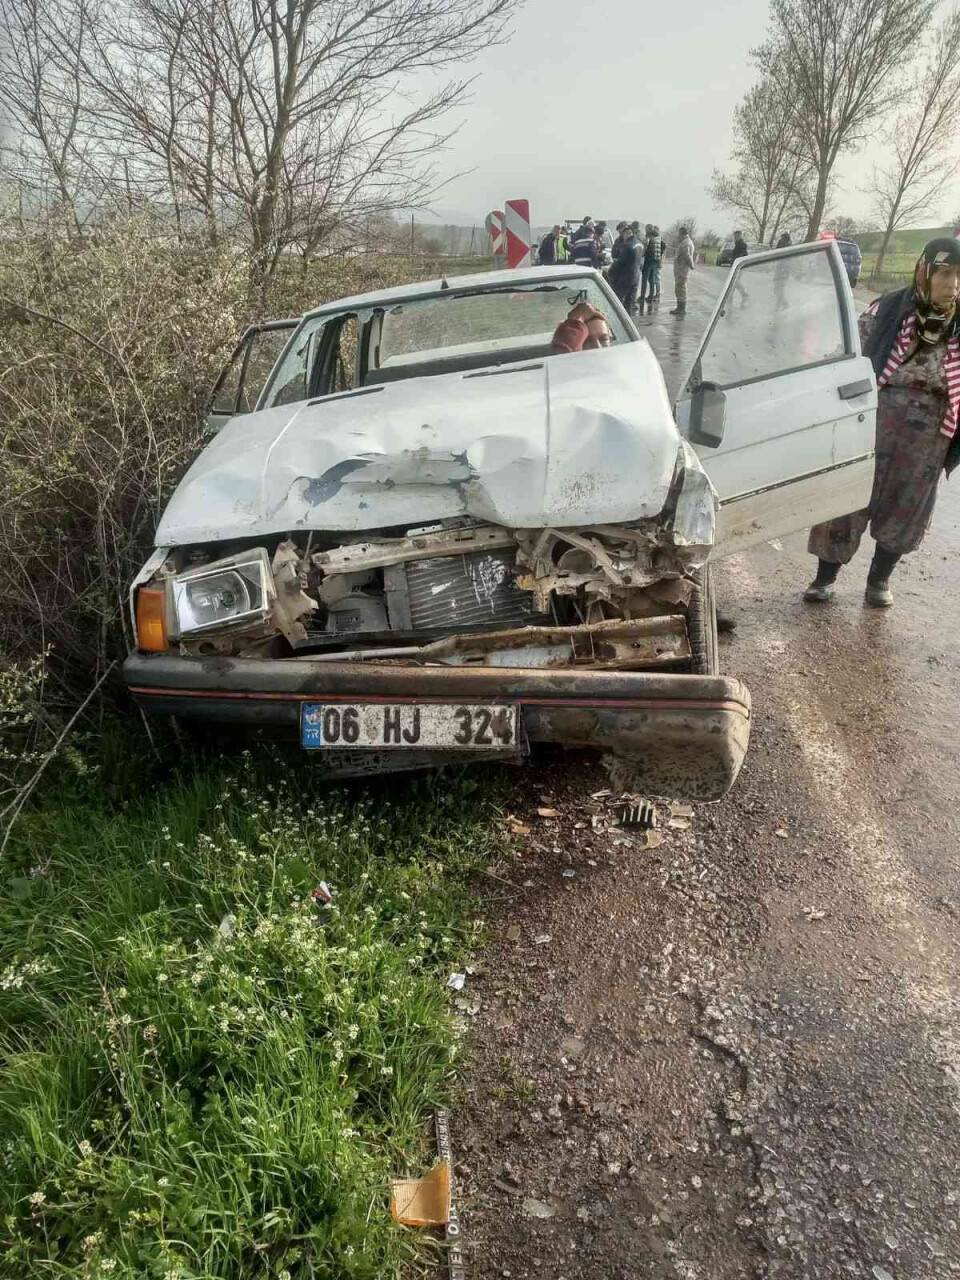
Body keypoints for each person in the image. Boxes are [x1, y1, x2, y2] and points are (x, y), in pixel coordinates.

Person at [803, 237, 960, 609]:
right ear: (925, 271)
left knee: (906, 507)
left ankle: (878, 580)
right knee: (848, 499)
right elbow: (847, 353)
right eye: (946, 273)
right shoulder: (890, 309)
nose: (953, 284)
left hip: (928, 437)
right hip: (873, 420)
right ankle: (824, 578)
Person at [608, 226, 642, 316]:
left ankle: (618, 318)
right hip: (636, 275)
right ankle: (628, 319)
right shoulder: (639, 244)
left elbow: (620, 262)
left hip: (626, 276)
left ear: (626, 234)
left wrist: (611, 270)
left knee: (618, 298)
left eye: (623, 235)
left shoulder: (627, 245)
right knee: (630, 301)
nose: (623, 238)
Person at [671, 226, 695, 317]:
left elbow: (687, 256)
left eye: (679, 234)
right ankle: (679, 307)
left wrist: (691, 265)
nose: (678, 236)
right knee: (679, 288)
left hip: (682, 270)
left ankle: (681, 309)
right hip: (681, 269)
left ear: (682, 234)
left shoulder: (686, 243)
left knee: (680, 288)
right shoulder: (686, 242)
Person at [640, 224, 662, 312]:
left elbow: (645, 249)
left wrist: (641, 256)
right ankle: (651, 296)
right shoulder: (658, 238)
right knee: (652, 279)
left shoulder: (648, 238)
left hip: (648, 260)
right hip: (655, 261)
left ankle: (642, 296)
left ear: (648, 230)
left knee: (644, 279)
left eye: (646, 229)